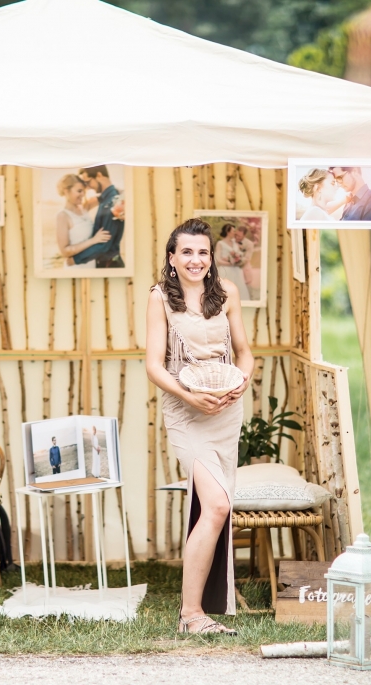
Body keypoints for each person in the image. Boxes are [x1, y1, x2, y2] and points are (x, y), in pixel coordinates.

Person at [146, 218, 253, 636]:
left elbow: (245, 353)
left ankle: (195, 611)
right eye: (186, 252)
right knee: (219, 505)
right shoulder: (160, 299)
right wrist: (192, 398)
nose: (195, 259)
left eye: (203, 252)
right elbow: (154, 365)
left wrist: (238, 385)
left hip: (226, 411)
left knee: (215, 506)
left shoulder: (228, 294)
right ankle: (191, 613)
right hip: (186, 412)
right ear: (172, 258)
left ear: (212, 257)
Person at [72, 166, 125, 268]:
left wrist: (75, 259)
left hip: (110, 266)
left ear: (99, 175)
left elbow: (104, 245)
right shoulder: (106, 199)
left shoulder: (113, 203)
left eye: (88, 182)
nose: (88, 187)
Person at [54, 174, 109, 269]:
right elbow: (64, 251)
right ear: (66, 191)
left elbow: (109, 194)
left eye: (83, 191)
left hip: (91, 265)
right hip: (75, 268)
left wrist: (88, 184)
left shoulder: (85, 208)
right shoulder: (63, 216)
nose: (83, 194)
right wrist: (93, 240)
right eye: (79, 191)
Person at [215, 224, 248, 299]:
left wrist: (239, 260)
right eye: (233, 231)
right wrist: (231, 263)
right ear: (228, 232)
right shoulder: (220, 243)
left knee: (239, 290)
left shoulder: (235, 243)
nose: (235, 233)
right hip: (225, 271)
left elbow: (239, 255)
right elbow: (218, 260)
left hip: (237, 271)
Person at [235, 226, 259, 301]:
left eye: (239, 236)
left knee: (247, 287)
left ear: (244, 235)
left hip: (244, 267)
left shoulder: (249, 244)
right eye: (236, 235)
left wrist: (237, 262)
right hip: (233, 269)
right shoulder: (231, 241)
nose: (237, 237)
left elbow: (247, 257)